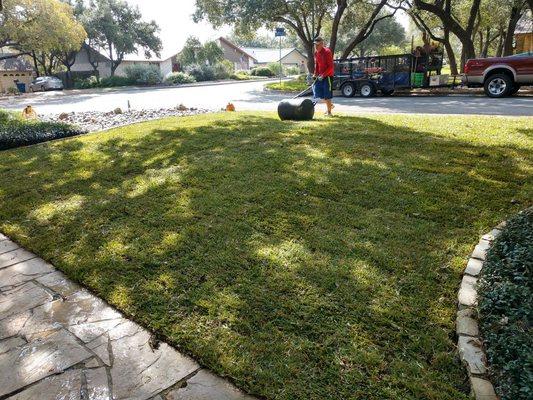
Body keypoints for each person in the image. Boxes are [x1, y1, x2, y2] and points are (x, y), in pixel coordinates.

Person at [313, 37, 335, 116]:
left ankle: (329, 112)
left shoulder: (327, 52)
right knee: (318, 93)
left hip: (328, 76)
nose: (316, 47)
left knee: (327, 94)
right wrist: (315, 74)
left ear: (322, 44)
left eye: (317, 45)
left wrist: (323, 75)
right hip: (320, 76)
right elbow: (317, 65)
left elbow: (331, 67)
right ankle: (330, 105)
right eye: (315, 45)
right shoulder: (316, 53)